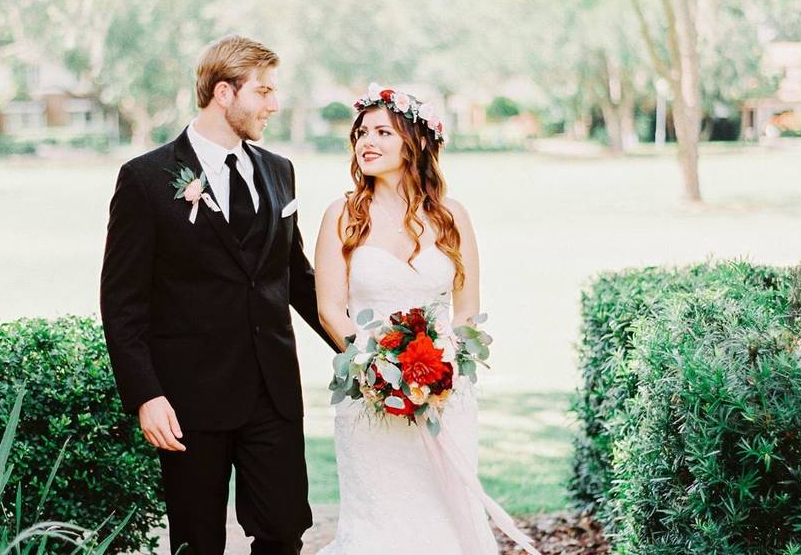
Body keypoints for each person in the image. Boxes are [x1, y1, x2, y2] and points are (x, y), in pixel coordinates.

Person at [100, 35, 338, 555]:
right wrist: (145, 394)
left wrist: (363, 349)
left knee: (283, 530)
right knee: (197, 542)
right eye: (264, 91)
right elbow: (122, 305)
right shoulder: (145, 179)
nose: (274, 105)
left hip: (272, 391)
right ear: (224, 92)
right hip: (189, 397)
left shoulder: (279, 171)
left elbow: (295, 278)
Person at [313, 84, 541, 554]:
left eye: (381, 131)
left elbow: (468, 313)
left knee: (444, 514)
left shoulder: (452, 217)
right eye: (360, 133)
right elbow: (330, 309)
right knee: (379, 518)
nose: (365, 142)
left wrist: (441, 371)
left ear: (414, 141)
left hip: (445, 394)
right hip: (369, 396)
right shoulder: (341, 215)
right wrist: (379, 369)